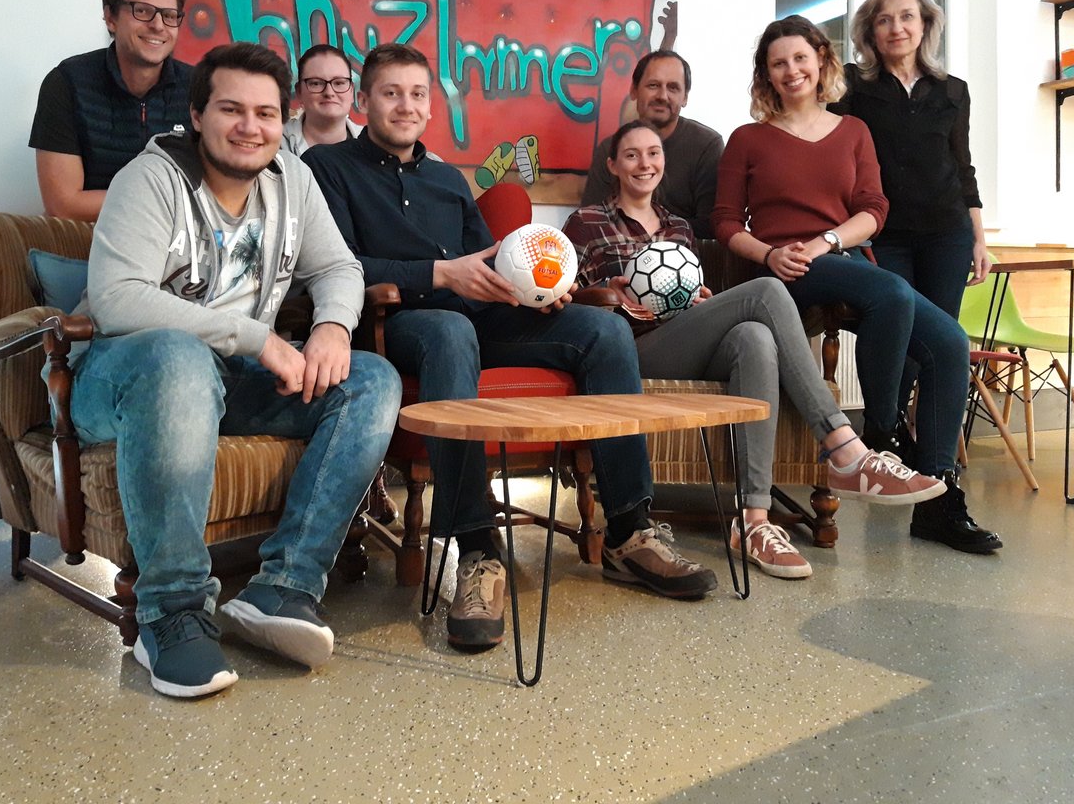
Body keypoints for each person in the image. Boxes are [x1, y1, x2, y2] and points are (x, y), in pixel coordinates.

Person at [306, 43, 718, 652]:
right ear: (364, 101)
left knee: (602, 329)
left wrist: (539, 288)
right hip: (401, 324)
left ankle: (630, 532)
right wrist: (441, 275)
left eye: (417, 94)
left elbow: (495, 263)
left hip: (481, 320)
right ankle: (477, 548)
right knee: (449, 330)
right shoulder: (327, 167)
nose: (406, 105)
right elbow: (335, 265)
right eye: (391, 93)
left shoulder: (447, 179)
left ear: (431, 106)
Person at [65, 42, 402, 698]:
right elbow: (116, 298)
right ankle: (170, 613)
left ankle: (284, 588)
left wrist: (332, 328)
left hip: (227, 379)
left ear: (283, 121)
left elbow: (339, 267)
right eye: (231, 109)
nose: (251, 127)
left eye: (266, 114)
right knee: (177, 355)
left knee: (370, 380)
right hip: (122, 376)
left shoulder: (292, 178)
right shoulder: (151, 177)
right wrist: (257, 338)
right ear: (197, 116)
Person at [564, 121, 946, 579]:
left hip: (682, 338)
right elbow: (567, 297)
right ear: (612, 165)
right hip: (628, 350)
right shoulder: (586, 222)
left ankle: (753, 521)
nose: (644, 163)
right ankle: (844, 447)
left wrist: (698, 299)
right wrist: (610, 292)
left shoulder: (679, 227)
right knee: (766, 291)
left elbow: (688, 295)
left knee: (755, 338)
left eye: (653, 153)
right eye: (631, 155)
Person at [712, 15, 1001, 555]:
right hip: (780, 273)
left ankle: (938, 500)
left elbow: (874, 208)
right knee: (890, 291)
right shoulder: (747, 139)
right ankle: (880, 438)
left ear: (821, 60)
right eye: (778, 63)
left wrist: (826, 241)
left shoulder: (853, 131)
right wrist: (771, 254)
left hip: (837, 256)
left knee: (949, 343)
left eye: (801, 58)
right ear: (766, 75)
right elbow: (726, 223)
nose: (791, 70)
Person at [829, 0, 990, 408]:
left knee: (940, 341)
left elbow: (963, 167)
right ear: (871, 32)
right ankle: (887, 431)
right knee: (896, 340)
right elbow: (831, 154)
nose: (896, 28)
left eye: (906, 17)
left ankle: (926, 437)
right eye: (884, 20)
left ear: (925, 25)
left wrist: (978, 238)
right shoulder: (851, 85)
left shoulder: (953, 90)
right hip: (884, 235)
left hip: (947, 235)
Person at [30, 0, 193, 221]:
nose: (158, 25)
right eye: (142, 11)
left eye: (169, 15)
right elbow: (63, 206)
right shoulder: (67, 83)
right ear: (110, 17)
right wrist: (166, 199)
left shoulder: (199, 89)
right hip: (88, 237)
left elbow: (217, 193)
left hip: (178, 239)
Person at [581, 49, 723, 238]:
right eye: (653, 85)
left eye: (673, 88)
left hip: (686, 251)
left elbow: (711, 226)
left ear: (685, 97)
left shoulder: (707, 146)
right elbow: (590, 224)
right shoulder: (610, 148)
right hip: (619, 251)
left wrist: (652, 236)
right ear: (634, 90)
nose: (662, 96)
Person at [282, 44, 363, 158]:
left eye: (339, 83)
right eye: (316, 83)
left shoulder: (373, 144)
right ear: (299, 91)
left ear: (351, 91)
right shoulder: (276, 144)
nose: (329, 93)